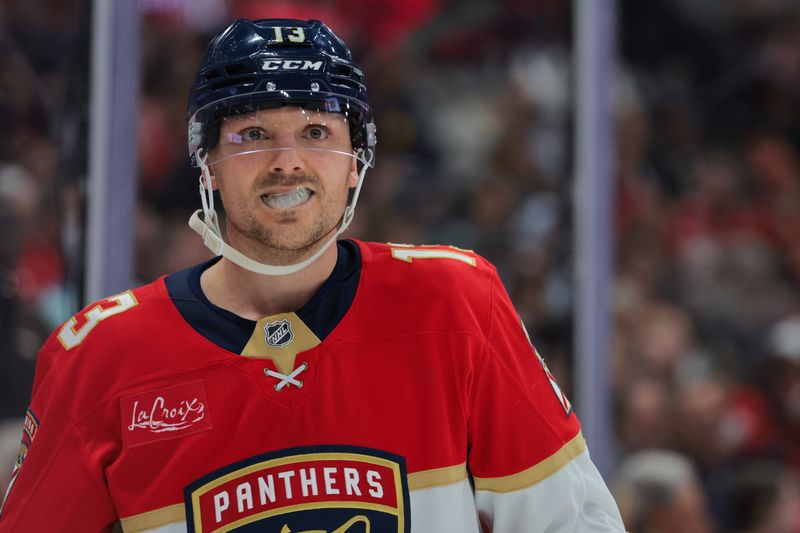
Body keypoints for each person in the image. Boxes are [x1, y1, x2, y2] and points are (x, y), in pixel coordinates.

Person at [0, 18, 625, 532]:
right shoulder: (100, 355)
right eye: (251, 134)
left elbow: (572, 523)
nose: (287, 161)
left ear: (356, 162)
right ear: (208, 163)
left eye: (317, 132)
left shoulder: (456, 302)